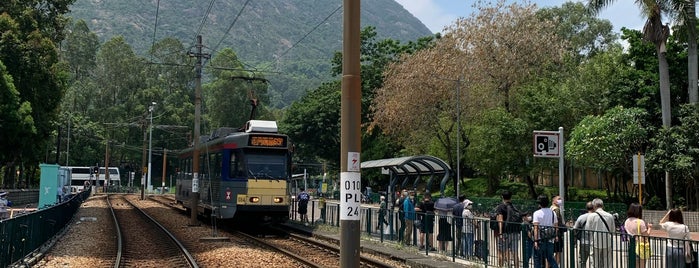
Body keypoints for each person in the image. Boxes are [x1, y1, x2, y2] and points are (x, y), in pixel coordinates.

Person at [585, 198, 615, 268]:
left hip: (595, 242)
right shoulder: (610, 216)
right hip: (607, 242)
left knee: (595, 263)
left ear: (594, 206)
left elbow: (587, 230)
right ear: (602, 205)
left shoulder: (591, 216)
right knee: (607, 262)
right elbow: (613, 231)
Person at [495, 190, 521, 267]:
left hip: (505, 233)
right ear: (511, 197)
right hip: (515, 232)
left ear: (502, 197)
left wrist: (500, 233)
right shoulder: (513, 206)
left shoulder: (501, 207)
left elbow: (500, 220)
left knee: (501, 252)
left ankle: (501, 266)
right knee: (515, 253)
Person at [533, 195, 558, 268]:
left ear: (539, 203)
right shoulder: (553, 213)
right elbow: (556, 226)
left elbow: (536, 228)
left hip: (540, 239)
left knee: (538, 259)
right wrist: (556, 236)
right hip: (550, 238)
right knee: (550, 258)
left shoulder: (537, 213)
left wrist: (535, 240)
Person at [624, 203, 652, 268]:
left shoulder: (627, 221)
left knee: (632, 264)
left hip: (631, 245)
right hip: (640, 247)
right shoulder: (640, 222)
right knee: (641, 265)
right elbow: (646, 235)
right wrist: (650, 227)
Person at [573, 201, 595, 268]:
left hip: (584, 242)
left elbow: (575, 228)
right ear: (594, 207)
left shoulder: (581, 217)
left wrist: (575, 240)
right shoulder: (597, 217)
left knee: (582, 261)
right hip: (595, 242)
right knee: (594, 261)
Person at [550, 195, 565, 265]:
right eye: (558, 199)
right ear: (554, 201)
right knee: (558, 252)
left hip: (551, 233)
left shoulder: (550, 208)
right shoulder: (556, 209)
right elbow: (557, 222)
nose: (560, 200)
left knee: (550, 253)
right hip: (557, 233)